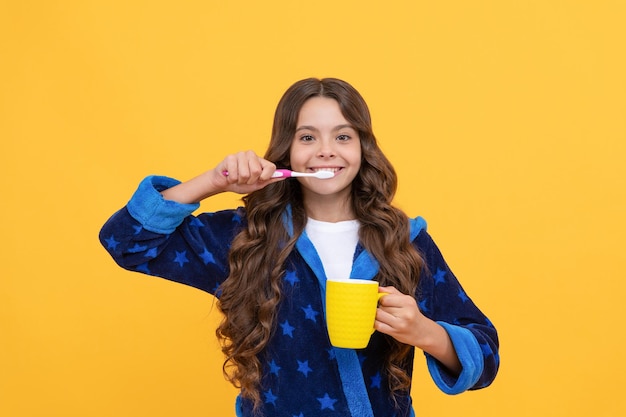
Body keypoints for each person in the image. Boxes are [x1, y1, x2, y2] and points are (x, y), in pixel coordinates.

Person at [99, 78, 499, 417]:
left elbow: (486, 357)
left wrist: (426, 332)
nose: (326, 149)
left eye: (343, 136)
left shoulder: (406, 243)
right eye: (308, 137)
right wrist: (212, 182)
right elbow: (125, 241)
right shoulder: (247, 237)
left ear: (363, 149)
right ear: (287, 151)